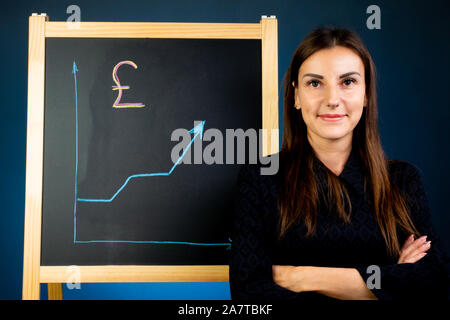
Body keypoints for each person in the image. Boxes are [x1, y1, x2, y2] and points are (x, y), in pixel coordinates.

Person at [229, 26, 449, 301]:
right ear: (296, 95)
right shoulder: (261, 178)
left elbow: (435, 282)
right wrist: (387, 281)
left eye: (348, 82)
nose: (332, 100)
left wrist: (304, 277)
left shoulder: (402, 180)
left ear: (366, 93)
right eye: (314, 83)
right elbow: (249, 294)